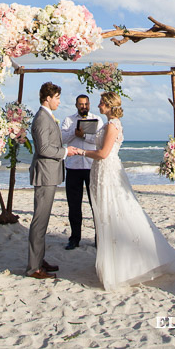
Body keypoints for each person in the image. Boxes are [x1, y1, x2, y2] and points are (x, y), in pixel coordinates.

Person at [78, 91, 175, 290]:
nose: (98, 106)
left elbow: (104, 153)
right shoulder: (108, 124)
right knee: (107, 216)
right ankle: (111, 264)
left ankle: (123, 267)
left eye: (101, 103)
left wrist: (80, 151)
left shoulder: (113, 125)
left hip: (108, 173)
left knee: (114, 215)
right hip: (101, 172)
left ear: (108, 105)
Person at [26, 82, 78, 279]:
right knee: (39, 222)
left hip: (50, 174)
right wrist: (66, 152)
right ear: (47, 98)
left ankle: (39, 260)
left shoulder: (48, 117)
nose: (58, 101)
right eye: (56, 97)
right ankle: (33, 267)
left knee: (44, 220)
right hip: (45, 175)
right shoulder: (41, 118)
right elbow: (44, 149)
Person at [61, 94, 103, 250]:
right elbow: (62, 139)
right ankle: (74, 238)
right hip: (73, 167)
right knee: (74, 205)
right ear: (76, 105)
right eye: (80, 104)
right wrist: (75, 132)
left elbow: (100, 140)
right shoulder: (68, 120)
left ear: (89, 104)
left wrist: (84, 135)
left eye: (86, 104)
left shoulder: (97, 119)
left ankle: (99, 238)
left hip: (91, 166)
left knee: (96, 205)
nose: (83, 106)